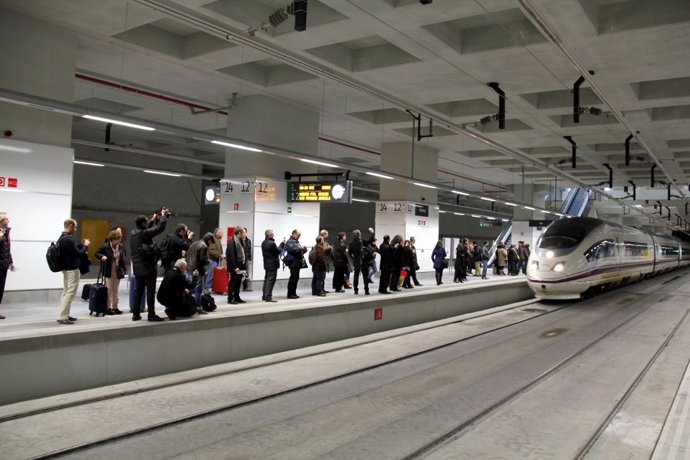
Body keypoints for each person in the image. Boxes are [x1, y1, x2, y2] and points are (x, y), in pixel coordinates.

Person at [130, 209, 169, 321]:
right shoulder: (144, 234)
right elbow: (159, 228)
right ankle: (151, 314)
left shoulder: (134, 234)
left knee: (139, 291)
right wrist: (163, 217)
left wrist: (152, 220)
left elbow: (146, 231)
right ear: (143, 223)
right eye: (146, 222)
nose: (148, 223)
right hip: (148, 267)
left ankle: (136, 314)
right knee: (150, 292)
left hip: (137, 268)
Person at [57, 218, 90, 324]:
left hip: (65, 269)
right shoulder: (68, 239)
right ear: (70, 225)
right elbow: (78, 254)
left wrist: (80, 246)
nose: (75, 229)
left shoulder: (62, 238)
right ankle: (63, 316)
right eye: (75, 227)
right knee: (70, 292)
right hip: (72, 269)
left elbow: (72, 251)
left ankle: (64, 314)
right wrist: (85, 246)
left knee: (66, 292)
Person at [95, 229, 126, 315]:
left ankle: (115, 307)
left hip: (117, 271)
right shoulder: (105, 246)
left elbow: (122, 258)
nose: (119, 241)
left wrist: (124, 269)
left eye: (119, 240)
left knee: (115, 290)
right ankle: (107, 308)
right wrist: (102, 256)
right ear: (112, 239)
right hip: (108, 270)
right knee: (108, 290)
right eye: (117, 240)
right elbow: (96, 253)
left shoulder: (121, 246)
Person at [187, 232, 211, 312]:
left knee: (190, 287)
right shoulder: (203, 246)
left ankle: (189, 305)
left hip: (190, 267)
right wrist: (207, 261)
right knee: (198, 289)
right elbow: (202, 259)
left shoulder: (196, 243)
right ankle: (198, 307)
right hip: (197, 269)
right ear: (209, 240)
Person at [347, 227, 374, 295]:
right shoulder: (362, 241)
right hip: (363, 261)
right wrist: (372, 233)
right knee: (365, 276)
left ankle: (356, 290)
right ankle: (366, 290)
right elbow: (370, 241)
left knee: (356, 275)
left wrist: (353, 257)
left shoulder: (351, 243)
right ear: (359, 235)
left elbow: (350, 253)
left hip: (356, 261)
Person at [283, 229, 308, 299]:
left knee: (296, 278)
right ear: (293, 233)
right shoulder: (290, 242)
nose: (299, 236)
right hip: (293, 263)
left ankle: (293, 292)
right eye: (298, 235)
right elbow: (293, 250)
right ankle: (290, 293)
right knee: (293, 278)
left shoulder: (296, 242)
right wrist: (301, 248)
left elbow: (298, 252)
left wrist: (304, 250)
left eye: (300, 235)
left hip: (297, 262)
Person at [0, 213, 16, 319]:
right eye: (6, 219)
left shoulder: (6, 233)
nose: (8, 221)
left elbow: (7, 249)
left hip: (3, 265)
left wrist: (10, 262)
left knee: (0, 289)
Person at [261, 229, 283, 302]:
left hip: (267, 264)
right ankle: (268, 297)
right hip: (272, 264)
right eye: (272, 234)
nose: (273, 235)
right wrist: (282, 244)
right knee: (270, 280)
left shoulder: (263, 242)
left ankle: (264, 295)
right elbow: (278, 251)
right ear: (269, 235)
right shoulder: (271, 243)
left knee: (267, 279)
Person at [226, 226, 247, 304]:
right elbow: (232, 256)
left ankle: (237, 297)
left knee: (238, 282)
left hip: (240, 265)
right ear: (239, 233)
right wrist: (235, 267)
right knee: (233, 282)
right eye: (243, 233)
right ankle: (230, 298)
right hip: (234, 266)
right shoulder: (232, 242)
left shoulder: (240, 241)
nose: (244, 234)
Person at [204, 228, 224, 294]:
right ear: (216, 233)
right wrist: (219, 255)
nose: (222, 234)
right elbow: (211, 250)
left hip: (215, 260)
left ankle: (211, 288)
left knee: (213, 274)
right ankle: (207, 288)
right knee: (211, 274)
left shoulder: (217, 240)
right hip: (213, 260)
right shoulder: (214, 240)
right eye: (221, 232)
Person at [242, 227, 252, 291]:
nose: (243, 233)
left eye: (244, 232)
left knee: (246, 273)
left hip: (246, 259)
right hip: (240, 259)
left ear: (246, 233)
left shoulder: (248, 241)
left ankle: (245, 287)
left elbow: (249, 250)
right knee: (240, 273)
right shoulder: (239, 240)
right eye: (242, 232)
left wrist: (250, 259)